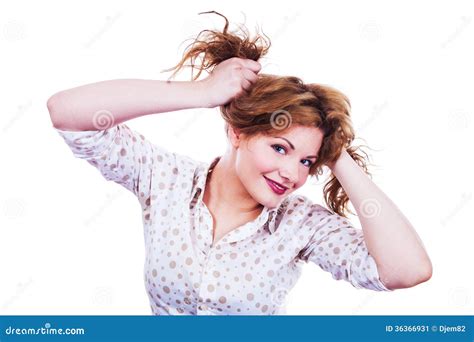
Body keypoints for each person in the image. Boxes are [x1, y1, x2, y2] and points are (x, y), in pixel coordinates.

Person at [47, 11, 432, 315]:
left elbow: (407, 271)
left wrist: (338, 154)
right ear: (237, 133)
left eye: (307, 161)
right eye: (280, 148)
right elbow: (66, 112)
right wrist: (202, 93)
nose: (292, 174)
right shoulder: (164, 180)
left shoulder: (300, 224)